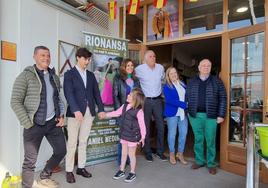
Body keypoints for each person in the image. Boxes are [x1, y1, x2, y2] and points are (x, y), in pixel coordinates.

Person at [10, 46, 66, 188]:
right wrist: (27, 122)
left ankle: (45, 176)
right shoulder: (26, 76)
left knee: (61, 151)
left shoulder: (54, 76)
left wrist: (61, 115)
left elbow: (58, 98)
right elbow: (15, 100)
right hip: (33, 124)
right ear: (34, 57)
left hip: (53, 123)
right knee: (30, 161)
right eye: (42, 55)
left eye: (48, 55)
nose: (46, 58)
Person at [63, 48, 105, 183]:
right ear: (78, 58)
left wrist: (101, 109)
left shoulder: (91, 75)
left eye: (89, 59)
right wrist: (75, 110)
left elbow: (96, 94)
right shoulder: (69, 74)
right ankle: (69, 170)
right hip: (74, 113)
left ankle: (81, 167)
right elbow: (68, 93)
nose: (87, 62)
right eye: (85, 59)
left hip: (89, 113)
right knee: (72, 143)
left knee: (83, 141)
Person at [186, 59, 227, 175]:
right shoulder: (192, 81)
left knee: (210, 140)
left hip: (211, 116)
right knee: (198, 139)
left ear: (211, 68)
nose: (206, 67)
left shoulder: (217, 82)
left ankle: (211, 163)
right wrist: (188, 111)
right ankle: (199, 161)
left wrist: (221, 114)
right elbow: (187, 97)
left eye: (208, 65)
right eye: (203, 65)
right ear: (199, 67)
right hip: (195, 116)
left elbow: (223, 98)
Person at [102, 88, 146, 183]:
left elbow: (142, 125)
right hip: (124, 134)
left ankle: (132, 172)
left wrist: (143, 137)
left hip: (133, 136)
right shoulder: (124, 106)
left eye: (130, 95)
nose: (128, 95)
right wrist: (106, 115)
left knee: (131, 155)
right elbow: (116, 113)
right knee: (123, 153)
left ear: (135, 99)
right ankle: (121, 170)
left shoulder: (139, 111)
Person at [135, 50, 167, 162]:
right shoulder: (139, 69)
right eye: (150, 56)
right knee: (146, 127)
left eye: (154, 56)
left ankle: (160, 152)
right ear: (145, 59)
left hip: (158, 101)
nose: (153, 58)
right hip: (146, 101)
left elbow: (163, 80)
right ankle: (147, 151)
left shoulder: (160, 68)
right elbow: (131, 77)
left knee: (161, 127)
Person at [113, 58, 140, 166]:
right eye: (127, 65)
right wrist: (120, 113)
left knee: (131, 137)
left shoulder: (136, 80)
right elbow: (115, 96)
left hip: (134, 113)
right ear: (123, 67)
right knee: (123, 138)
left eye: (131, 65)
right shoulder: (118, 78)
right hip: (123, 112)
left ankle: (128, 160)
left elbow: (139, 95)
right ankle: (121, 162)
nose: (130, 67)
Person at [163, 67, 188, 165]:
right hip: (172, 113)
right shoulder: (167, 86)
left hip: (182, 114)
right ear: (168, 76)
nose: (173, 75)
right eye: (171, 73)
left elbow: (187, 96)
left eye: (175, 73)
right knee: (172, 134)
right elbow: (169, 100)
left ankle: (180, 153)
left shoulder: (182, 84)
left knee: (183, 133)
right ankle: (172, 153)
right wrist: (184, 104)